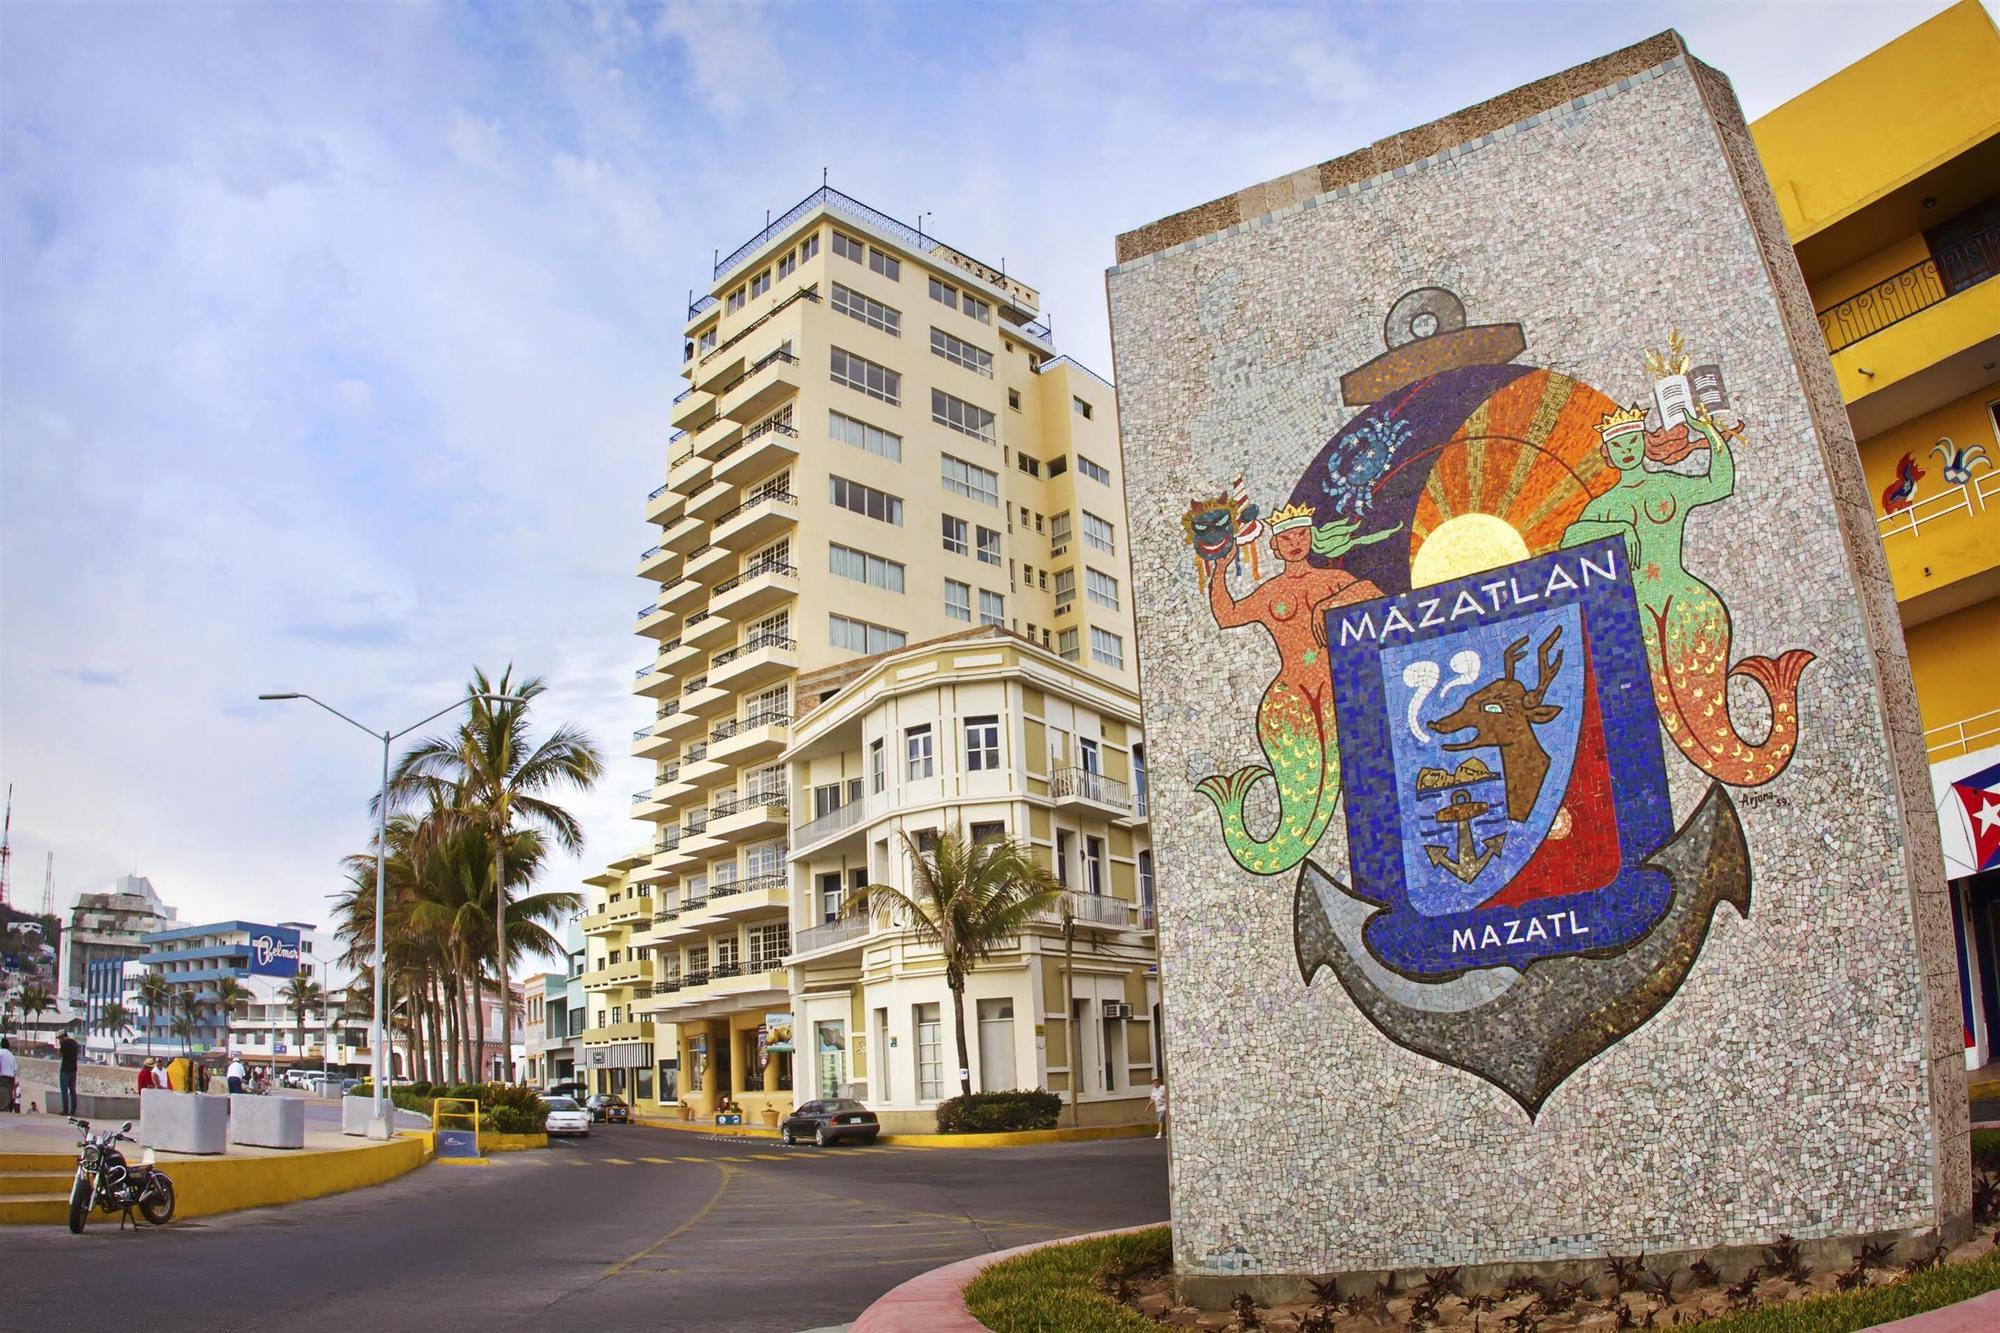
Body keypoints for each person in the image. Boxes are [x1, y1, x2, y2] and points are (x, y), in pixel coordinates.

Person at [57, 1029, 80, 1116]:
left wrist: (60, 1048)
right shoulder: (75, 1043)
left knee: (64, 1091)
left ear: (63, 1037)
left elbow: (60, 1054)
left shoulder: (64, 1044)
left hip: (65, 1070)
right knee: (73, 1091)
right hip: (73, 1070)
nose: (59, 1040)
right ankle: (73, 1110)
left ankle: (65, 1110)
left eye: (59, 1038)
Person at [0, 1037, 17, 1115]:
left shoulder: (1, 1053)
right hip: (11, 1078)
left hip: (3, 1077)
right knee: (8, 1096)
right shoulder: (12, 1056)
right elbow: (14, 1070)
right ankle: (9, 1111)